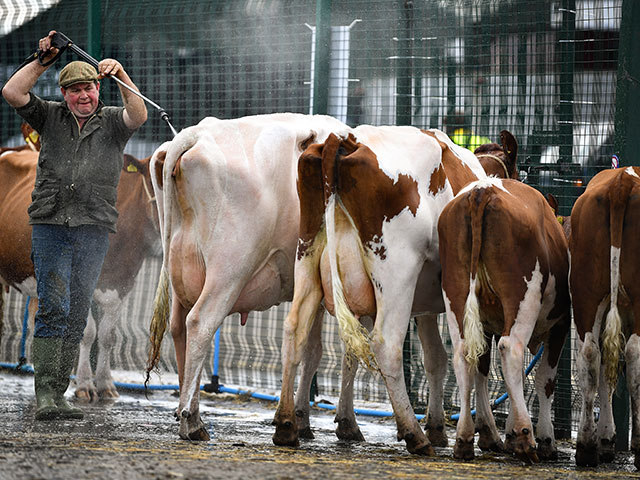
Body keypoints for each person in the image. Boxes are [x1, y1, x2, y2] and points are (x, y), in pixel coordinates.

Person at [1, 30, 147, 420]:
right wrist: (43, 61)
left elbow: (139, 114)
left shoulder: (114, 122)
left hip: (94, 228)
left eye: (90, 89)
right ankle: (46, 394)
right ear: (64, 94)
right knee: (53, 307)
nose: (84, 96)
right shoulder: (48, 116)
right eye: (76, 90)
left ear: (99, 91)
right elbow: (13, 93)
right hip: (50, 225)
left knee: (78, 312)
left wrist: (123, 78)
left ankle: (60, 393)